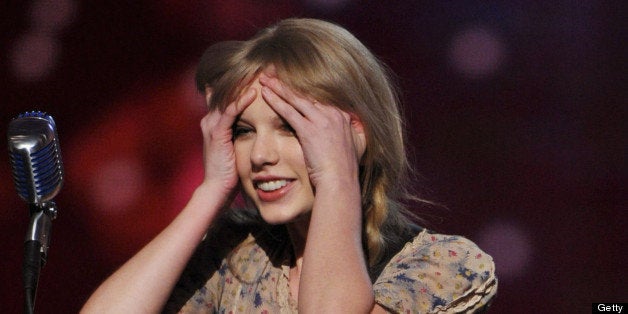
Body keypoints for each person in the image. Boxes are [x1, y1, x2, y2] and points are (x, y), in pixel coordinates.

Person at [81, 18, 497, 313]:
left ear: (355, 131)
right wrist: (209, 194)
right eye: (244, 131)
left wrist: (336, 177)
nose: (260, 155)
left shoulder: (441, 265)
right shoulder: (234, 254)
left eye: (289, 127)